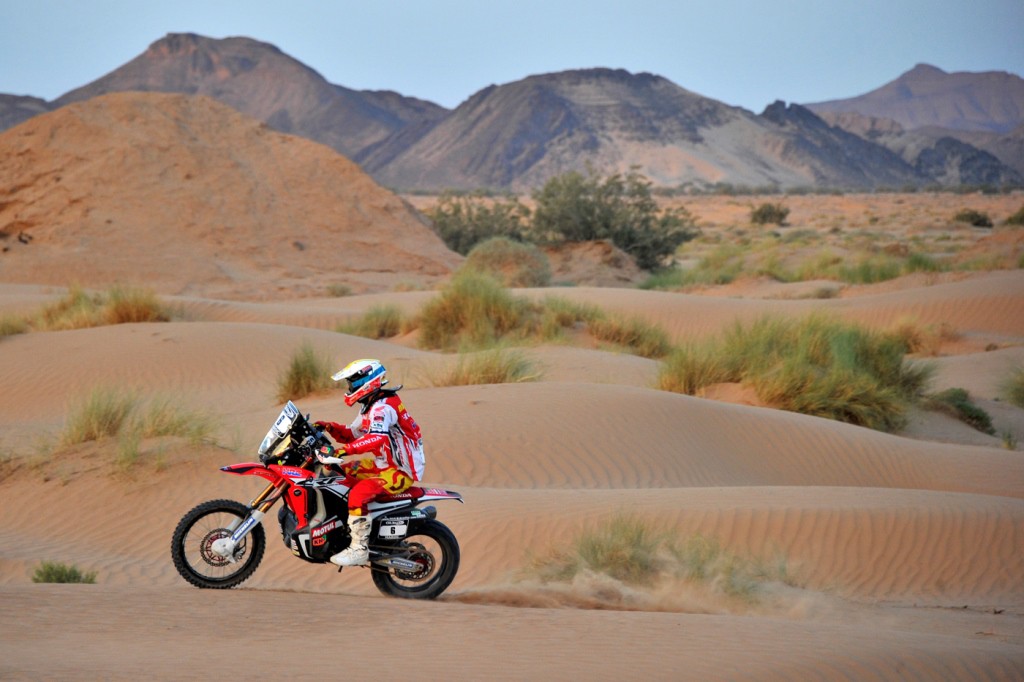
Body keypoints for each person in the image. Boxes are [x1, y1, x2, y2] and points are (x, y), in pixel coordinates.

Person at [313, 358, 425, 567]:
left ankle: (359, 548)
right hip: (383, 466)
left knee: (358, 493)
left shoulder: (383, 408)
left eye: (353, 383)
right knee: (336, 474)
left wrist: (342, 450)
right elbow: (353, 434)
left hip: (400, 472)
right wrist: (329, 427)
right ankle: (342, 527)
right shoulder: (371, 406)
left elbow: (376, 437)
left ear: (368, 382)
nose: (349, 388)